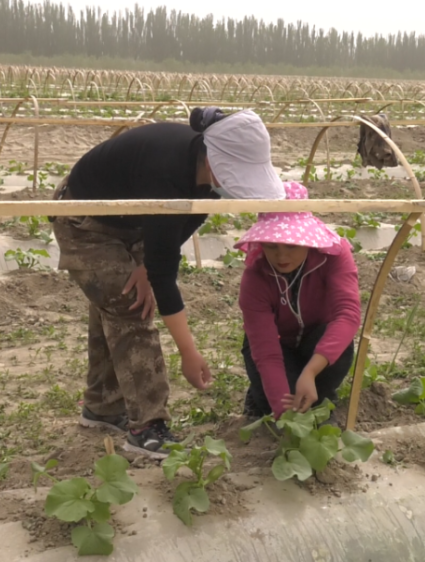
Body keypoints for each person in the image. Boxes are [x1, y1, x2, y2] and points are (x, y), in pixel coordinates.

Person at [52, 107, 285, 457]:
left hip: (131, 220)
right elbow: (164, 276)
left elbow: (182, 228)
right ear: (214, 158)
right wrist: (189, 354)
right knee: (130, 303)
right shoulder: (167, 172)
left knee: (116, 300)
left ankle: (101, 407)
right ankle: (147, 426)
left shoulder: (204, 176)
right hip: (83, 219)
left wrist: (145, 265)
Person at [236, 182, 362, 418]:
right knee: (279, 403)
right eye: (271, 246)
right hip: (278, 343)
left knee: (333, 357)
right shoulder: (255, 275)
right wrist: (286, 418)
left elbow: (347, 314)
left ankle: (320, 392)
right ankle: (259, 397)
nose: (281, 256)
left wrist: (311, 372)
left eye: (291, 246)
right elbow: (266, 351)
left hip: (317, 338)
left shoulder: (334, 256)